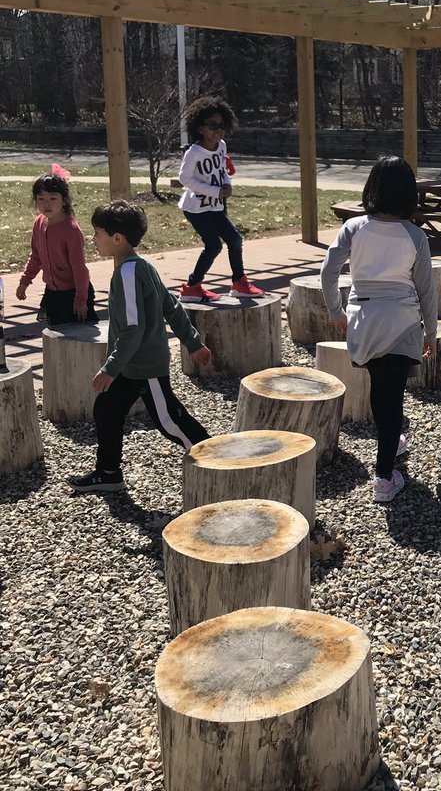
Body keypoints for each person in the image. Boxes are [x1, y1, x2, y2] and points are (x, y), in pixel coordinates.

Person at [67, 200, 213, 494]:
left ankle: (217, 461)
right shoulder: (141, 266)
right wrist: (193, 343)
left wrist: (110, 368)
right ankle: (109, 473)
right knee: (106, 409)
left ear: (117, 238)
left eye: (97, 233)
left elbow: (134, 330)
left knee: (169, 420)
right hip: (130, 365)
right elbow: (172, 307)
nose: (93, 239)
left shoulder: (128, 274)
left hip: (143, 365)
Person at [320, 155, 437, 503]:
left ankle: (391, 443)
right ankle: (384, 476)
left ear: (371, 187)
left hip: (363, 320)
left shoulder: (353, 228)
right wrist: (431, 331)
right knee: (394, 395)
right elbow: (427, 289)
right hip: (402, 322)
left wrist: (335, 310)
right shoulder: (415, 235)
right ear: (408, 195)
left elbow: (328, 272)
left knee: (378, 388)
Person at [177, 97, 264, 300]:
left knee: (234, 239)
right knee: (213, 245)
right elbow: (184, 179)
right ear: (200, 128)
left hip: (215, 205)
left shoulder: (221, 146)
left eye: (222, 125)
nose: (218, 130)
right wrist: (213, 191)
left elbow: (223, 169)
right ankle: (192, 286)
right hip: (196, 207)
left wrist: (227, 184)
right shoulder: (194, 153)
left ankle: (239, 283)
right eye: (212, 125)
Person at [16, 167, 98, 325]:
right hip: (53, 293)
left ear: (64, 200)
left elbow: (79, 269)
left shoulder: (71, 231)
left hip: (75, 294)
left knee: (79, 339)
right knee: (57, 338)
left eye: (53, 198)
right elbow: (36, 257)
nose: (46, 204)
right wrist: (24, 281)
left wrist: (81, 299)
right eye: (41, 199)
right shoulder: (39, 223)